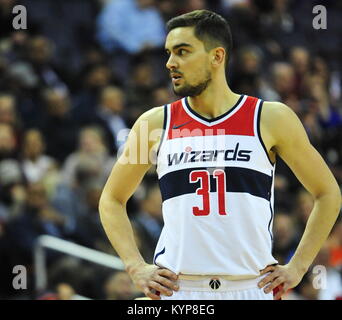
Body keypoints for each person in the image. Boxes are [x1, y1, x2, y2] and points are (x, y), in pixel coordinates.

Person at [98, 10, 341, 300]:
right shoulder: (153, 124)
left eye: (182, 52)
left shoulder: (270, 118)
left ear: (217, 56)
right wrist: (135, 266)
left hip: (251, 287)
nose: (170, 63)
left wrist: (298, 266)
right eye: (169, 53)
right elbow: (111, 199)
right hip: (178, 289)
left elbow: (328, 193)